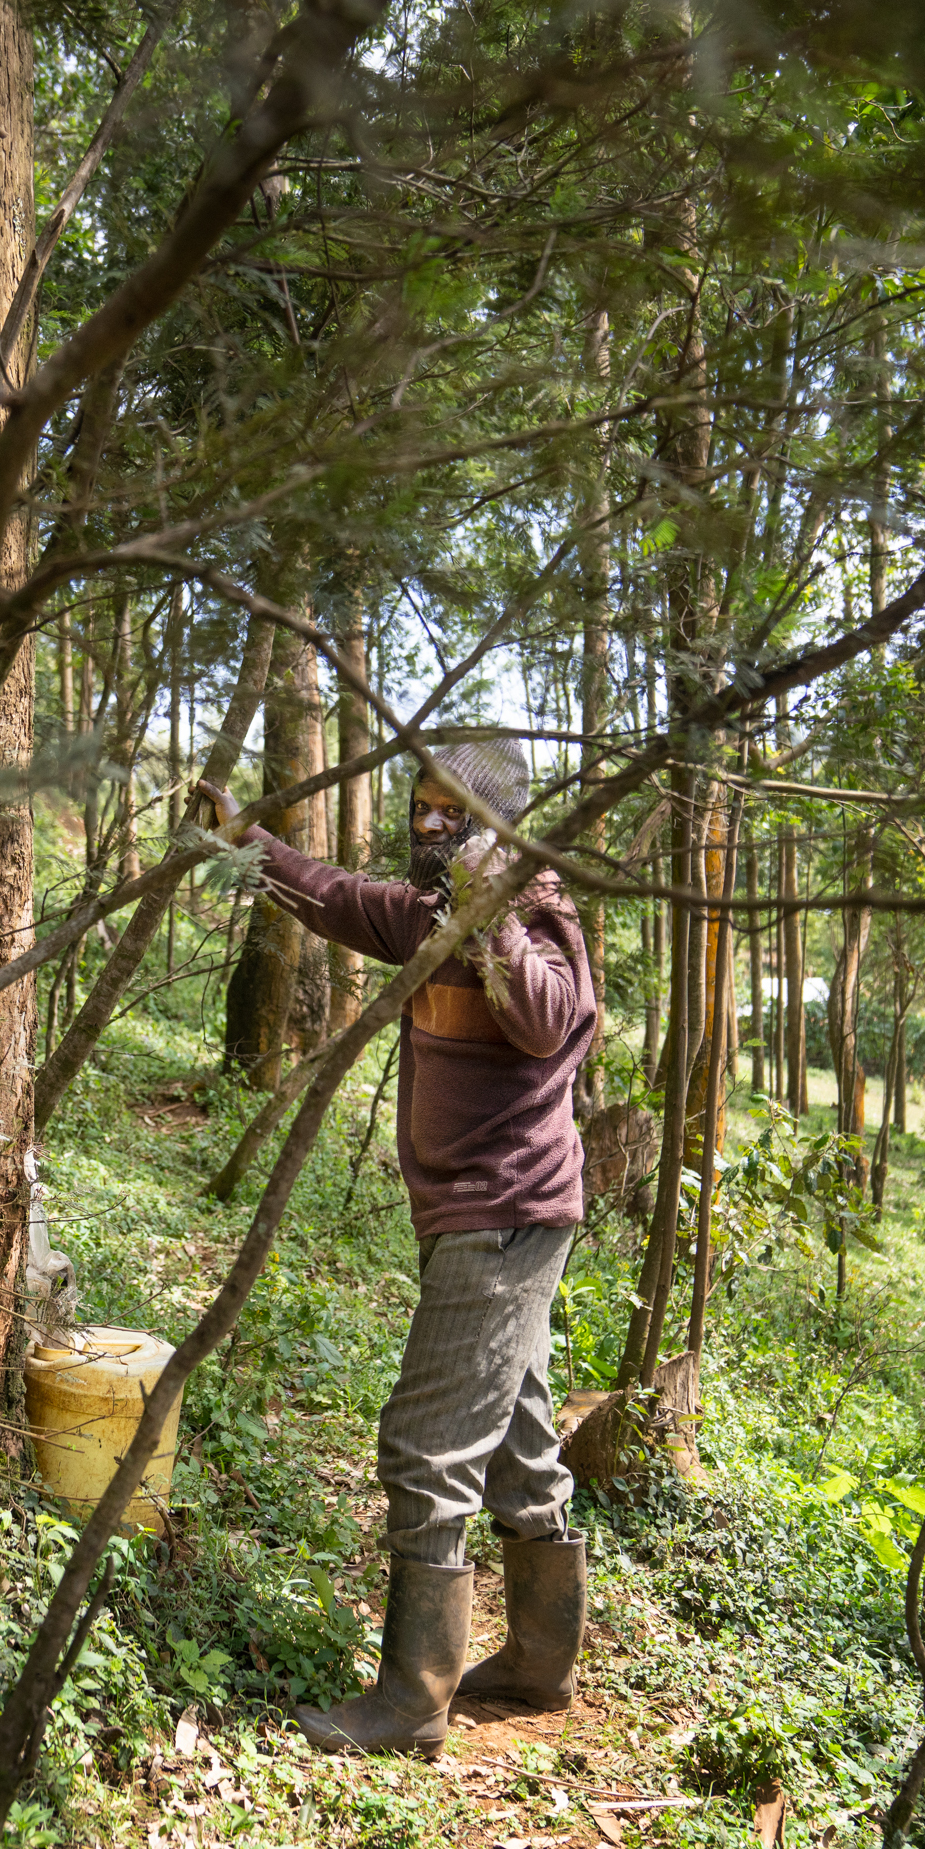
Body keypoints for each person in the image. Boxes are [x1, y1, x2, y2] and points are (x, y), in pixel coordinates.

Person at [195, 738, 597, 1756]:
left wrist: (488, 905)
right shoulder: (425, 916)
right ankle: (541, 1665)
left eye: (449, 815)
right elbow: (333, 895)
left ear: (495, 827)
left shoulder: (535, 911)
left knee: (427, 1447)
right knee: (517, 1438)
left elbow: (551, 1019)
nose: (427, 830)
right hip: (482, 1215)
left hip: (500, 1216)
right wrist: (248, 842)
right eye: (418, 810)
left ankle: (414, 1699)